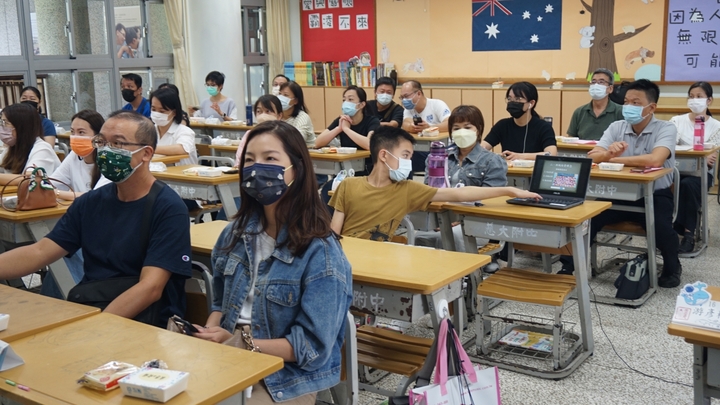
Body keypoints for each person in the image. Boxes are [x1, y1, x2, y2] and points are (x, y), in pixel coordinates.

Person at [195, 120, 351, 404]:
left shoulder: (321, 252)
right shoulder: (234, 233)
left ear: (296, 169)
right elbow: (219, 303)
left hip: (285, 375)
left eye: (269, 159)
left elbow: (311, 348)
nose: (257, 168)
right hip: (229, 354)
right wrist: (210, 334)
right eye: (249, 160)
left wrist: (239, 343)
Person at [0, 111, 192, 327]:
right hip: (94, 304)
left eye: (117, 143)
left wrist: (97, 327)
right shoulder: (90, 202)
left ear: (146, 153)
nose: (106, 151)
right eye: (101, 142)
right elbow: (40, 252)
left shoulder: (168, 208)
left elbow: (150, 288)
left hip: (146, 322)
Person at [558, 79, 683, 288]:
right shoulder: (617, 127)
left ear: (651, 107)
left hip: (654, 194)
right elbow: (592, 157)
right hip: (617, 193)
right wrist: (608, 153)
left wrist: (615, 159)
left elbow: (655, 160)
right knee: (585, 220)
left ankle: (673, 267)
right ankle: (569, 266)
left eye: (635, 103)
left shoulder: (666, 128)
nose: (628, 107)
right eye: (626, 102)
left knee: (661, 227)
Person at [329, 126, 539, 241]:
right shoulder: (348, 185)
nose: (408, 162)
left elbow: (458, 194)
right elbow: (333, 235)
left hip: (378, 261)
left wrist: (508, 190)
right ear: (384, 155)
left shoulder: (406, 189)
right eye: (405, 155)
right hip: (345, 258)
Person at [414, 105, 507, 251]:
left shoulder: (492, 161)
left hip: (476, 221)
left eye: (467, 127)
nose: (462, 132)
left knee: (453, 236)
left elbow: (490, 200)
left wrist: (459, 220)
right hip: (440, 219)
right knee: (418, 237)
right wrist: (442, 220)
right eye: (456, 128)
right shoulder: (438, 158)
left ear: (478, 129)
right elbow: (429, 191)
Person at [43, 110, 110, 299]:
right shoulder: (75, 156)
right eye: (72, 132)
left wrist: (57, 194)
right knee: (57, 248)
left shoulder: (108, 160)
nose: (75, 137)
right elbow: (50, 184)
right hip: (82, 224)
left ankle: (70, 298)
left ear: (98, 137)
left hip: (104, 229)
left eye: (82, 132)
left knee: (63, 251)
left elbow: (96, 196)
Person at [670, 81, 720, 253]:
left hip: (701, 175)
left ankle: (688, 234)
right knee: (665, 183)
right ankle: (665, 228)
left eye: (699, 96)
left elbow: (709, 159)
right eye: (691, 96)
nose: (694, 100)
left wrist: (685, 151)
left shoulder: (716, 126)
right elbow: (668, 147)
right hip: (675, 170)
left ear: (709, 100)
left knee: (688, 185)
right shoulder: (676, 121)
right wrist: (697, 154)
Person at [481, 81, 557, 160]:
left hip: (533, 168)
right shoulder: (502, 125)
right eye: (509, 99)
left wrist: (520, 156)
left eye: (518, 99)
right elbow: (482, 148)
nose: (512, 102)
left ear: (531, 103)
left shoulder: (543, 127)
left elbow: (551, 154)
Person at [0, 103, 61, 185]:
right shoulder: (13, 147)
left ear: (21, 126)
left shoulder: (42, 149)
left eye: (6, 123)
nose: (2, 127)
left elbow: (30, 178)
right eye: (1, 122)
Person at [400, 80, 451, 172]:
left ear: (419, 93)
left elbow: (449, 124)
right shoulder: (408, 109)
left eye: (406, 96)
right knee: (402, 156)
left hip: (441, 150)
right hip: (419, 149)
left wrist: (429, 128)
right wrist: (412, 127)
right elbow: (405, 123)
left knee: (409, 158)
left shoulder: (437, 104)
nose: (404, 100)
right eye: (402, 97)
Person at [316, 85, 380, 151]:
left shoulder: (372, 121)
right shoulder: (341, 120)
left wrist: (346, 129)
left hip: (366, 157)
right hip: (347, 157)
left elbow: (369, 144)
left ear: (362, 104)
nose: (346, 103)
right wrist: (339, 128)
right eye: (344, 100)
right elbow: (317, 143)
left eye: (350, 99)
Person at [566, 68, 624, 140]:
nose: (596, 85)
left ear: (610, 89)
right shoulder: (579, 112)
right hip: (583, 147)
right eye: (593, 82)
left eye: (601, 82)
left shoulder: (620, 111)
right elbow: (571, 138)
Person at [150, 87, 198, 166]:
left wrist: (149, 149)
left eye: (162, 111)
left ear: (174, 112)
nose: (157, 114)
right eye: (153, 109)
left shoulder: (184, 131)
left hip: (182, 172)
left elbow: (182, 149)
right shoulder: (149, 130)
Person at [235, 95, 283, 165]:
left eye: (268, 111)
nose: (263, 115)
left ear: (279, 116)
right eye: (259, 111)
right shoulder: (249, 134)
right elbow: (239, 158)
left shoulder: (284, 135)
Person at [278, 81, 315, 146]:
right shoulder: (276, 116)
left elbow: (297, 140)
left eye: (285, 95)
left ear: (295, 101)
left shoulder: (302, 117)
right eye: (280, 94)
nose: (281, 98)